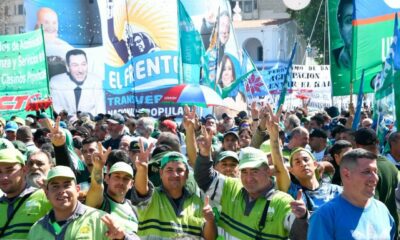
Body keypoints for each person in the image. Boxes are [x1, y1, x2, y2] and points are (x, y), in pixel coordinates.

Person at [195, 126, 309, 239]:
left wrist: (302, 218)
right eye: (244, 171)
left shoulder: (282, 203)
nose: (248, 178)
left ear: (268, 171)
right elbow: (204, 178)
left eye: (255, 171)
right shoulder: (232, 187)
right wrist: (205, 153)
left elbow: (302, 236)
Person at [131, 146, 217, 239]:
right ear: (161, 173)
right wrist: (142, 170)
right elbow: (141, 189)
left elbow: (210, 238)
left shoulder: (198, 203)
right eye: (169, 170)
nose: (175, 175)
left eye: (180, 170)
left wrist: (210, 221)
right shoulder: (151, 197)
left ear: (187, 174)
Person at [308, 149, 396, 239]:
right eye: (367, 172)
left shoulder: (382, 209)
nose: (375, 178)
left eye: (375, 171)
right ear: (346, 174)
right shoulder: (325, 216)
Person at [28, 165, 135, 239]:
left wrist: (123, 238)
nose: (61, 191)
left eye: (66, 185)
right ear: (47, 193)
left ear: (77, 190)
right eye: (55, 186)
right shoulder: (37, 229)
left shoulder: (100, 219)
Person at [86, 144, 141, 239]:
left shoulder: (134, 209)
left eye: (126, 179)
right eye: (117, 177)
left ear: (131, 184)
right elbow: (96, 187)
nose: (121, 182)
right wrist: (98, 168)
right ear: (107, 178)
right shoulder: (100, 202)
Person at [0, 148, 52, 239]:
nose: (4, 177)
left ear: (24, 170)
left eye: (10, 170)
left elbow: (60, 228)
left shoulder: (44, 196)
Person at [50, 49, 106, 116]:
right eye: (75, 65)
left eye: (83, 64)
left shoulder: (96, 81)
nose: (80, 70)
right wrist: (69, 118)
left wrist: (85, 118)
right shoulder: (55, 82)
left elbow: (101, 111)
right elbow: (56, 107)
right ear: (68, 67)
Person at [333, 0, 352, 69]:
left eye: (361, 20)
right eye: (349, 20)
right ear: (340, 27)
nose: (356, 27)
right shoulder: (332, 58)